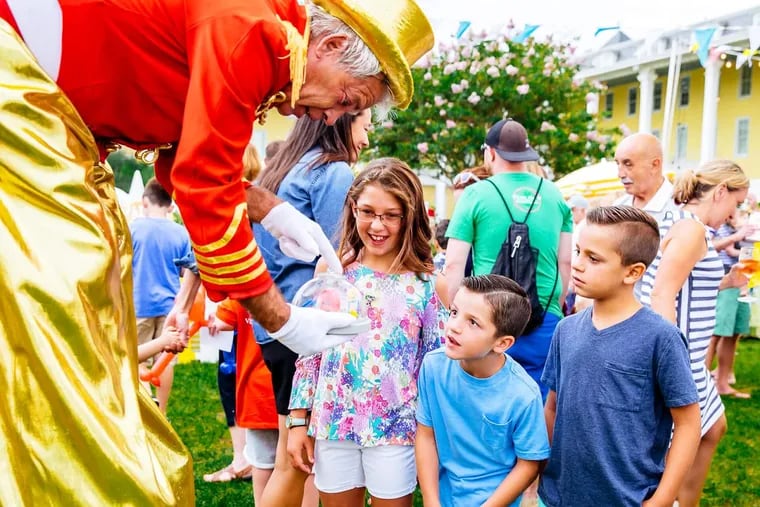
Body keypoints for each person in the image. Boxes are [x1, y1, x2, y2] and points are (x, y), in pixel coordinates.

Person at [0, 0, 433, 502]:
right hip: (24, 82)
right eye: (347, 99)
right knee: (74, 273)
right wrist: (282, 319)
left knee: (101, 266)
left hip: (57, 111)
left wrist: (269, 208)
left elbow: (184, 155)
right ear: (331, 46)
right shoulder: (255, 32)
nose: (332, 115)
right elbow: (201, 182)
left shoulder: (263, 43)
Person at [287, 158, 446, 507]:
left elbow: (435, 364)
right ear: (352, 209)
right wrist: (298, 419)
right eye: (368, 212)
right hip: (334, 420)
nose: (377, 225)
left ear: (410, 217)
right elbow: (310, 352)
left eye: (391, 215)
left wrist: (434, 434)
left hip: (397, 429)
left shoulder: (428, 283)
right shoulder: (333, 270)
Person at [540, 205, 701, 506]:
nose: (577, 265)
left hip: (627, 498)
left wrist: (663, 499)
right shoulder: (565, 330)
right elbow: (551, 408)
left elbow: (689, 424)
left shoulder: (661, 338)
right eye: (578, 251)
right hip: (558, 496)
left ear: (633, 272)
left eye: (594, 258)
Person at [256, 110, 372, 507]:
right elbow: (336, 260)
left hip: (272, 324)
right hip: (305, 328)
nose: (366, 140)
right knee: (298, 459)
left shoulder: (281, 170)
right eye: (365, 126)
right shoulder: (333, 171)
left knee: (291, 454)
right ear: (343, 121)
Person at [640, 161, 750, 507]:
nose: (736, 212)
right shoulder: (691, 231)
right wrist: (670, 363)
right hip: (680, 358)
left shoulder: (692, 228)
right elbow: (661, 293)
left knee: (713, 428)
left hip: (689, 359)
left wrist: (725, 283)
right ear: (720, 192)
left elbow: (686, 287)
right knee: (675, 451)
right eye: (736, 202)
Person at [445, 119, 572, 398]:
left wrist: (457, 314)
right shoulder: (554, 195)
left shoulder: (476, 194)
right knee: (539, 404)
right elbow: (566, 264)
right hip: (545, 318)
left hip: (486, 320)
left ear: (489, 153)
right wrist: (555, 306)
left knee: (487, 400)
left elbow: (453, 264)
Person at [416, 275, 550, 507]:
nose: (454, 326)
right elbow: (426, 435)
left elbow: (529, 464)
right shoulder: (433, 366)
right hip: (445, 496)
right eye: (454, 312)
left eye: (473, 322)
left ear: (502, 343)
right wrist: (430, 500)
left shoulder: (523, 395)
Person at [204, 299, 279, 506]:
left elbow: (219, 324)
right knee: (303, 466)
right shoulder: (299, 282)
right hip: (297, 392)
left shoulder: (241, 292)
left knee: (263, 465)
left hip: (257, 397)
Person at [131, 178, 192, 412]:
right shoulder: (180, 233)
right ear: (170, 205)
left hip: (139, 304)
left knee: (136, 357)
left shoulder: (134, 228)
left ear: (145, 201)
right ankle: (162, 410)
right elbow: (188, 271)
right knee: (165, 359)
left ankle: (144, 408)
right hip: (171, 307)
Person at [707, 212, 755, 399]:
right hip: (725, 281)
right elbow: (711, 247)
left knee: (735, 333)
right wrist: (738, 235)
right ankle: (700, 385)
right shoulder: (715, 223)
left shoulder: (740, 225)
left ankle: (722, 384)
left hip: (744, 283)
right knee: (718, 333)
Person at [614, 132, 680, 224]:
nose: (620, 174)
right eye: (618, 164)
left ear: (654, 165)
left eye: (628, 164)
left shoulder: (680, 210)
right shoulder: (617, 208)